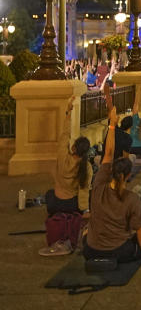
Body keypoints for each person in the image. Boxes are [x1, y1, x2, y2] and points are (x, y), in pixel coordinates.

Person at [84, 106, 141, 268]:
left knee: (86, 233)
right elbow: (139, 229)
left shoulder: (98, 186)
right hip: (117, 251)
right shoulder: (131, 199)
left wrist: (112, 124)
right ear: (127, 175)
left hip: (90, 250)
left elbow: (108, 154)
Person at [42, 93, 91, 254]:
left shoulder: (63, 156)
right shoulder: (86, 167)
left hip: (56, 202)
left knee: (49, 194)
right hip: (72, 205)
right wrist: (84, 211)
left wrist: (68, 112)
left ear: (74, 148)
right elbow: (84, 192)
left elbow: (65, 134)